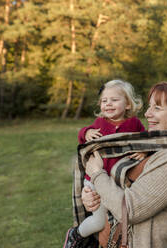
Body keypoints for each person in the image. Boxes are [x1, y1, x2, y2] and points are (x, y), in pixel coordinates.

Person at [81, 82, 167, 248]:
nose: (147, 114)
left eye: (157, 108)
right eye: (149, 107)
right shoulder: (154, 145)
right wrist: (91, 196)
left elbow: (130, 211)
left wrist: (96, 174)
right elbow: (118, 186)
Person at [64, 79, 146, 248]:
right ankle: (76, 235)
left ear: (128, 104)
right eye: (104, 101)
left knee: (118, 218)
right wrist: (87, 132)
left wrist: (144, 150)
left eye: (114, 100)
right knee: (99, 222)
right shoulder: (99, 124)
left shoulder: (134, 124)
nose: (108, 104)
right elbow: (82, 137)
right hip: (95, 180)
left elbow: (146, 139)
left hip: (119, 183)